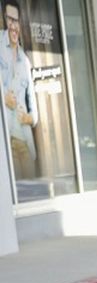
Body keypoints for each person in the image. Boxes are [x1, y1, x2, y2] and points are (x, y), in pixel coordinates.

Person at [1, 0, 35, 179]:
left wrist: (29, 118)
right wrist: (2, 99)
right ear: (4, 20)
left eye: (16, 20)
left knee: (31, 191)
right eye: (10, 20)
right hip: (6, 140)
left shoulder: (25, 61)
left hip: (24, 139)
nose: (13, 26)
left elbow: (34, 110)